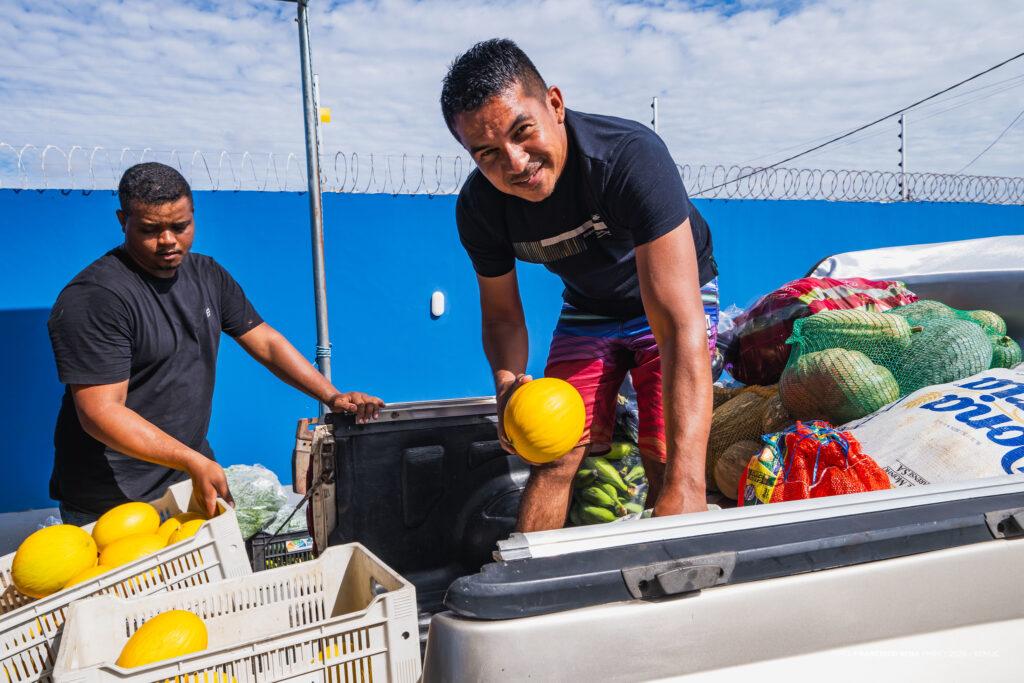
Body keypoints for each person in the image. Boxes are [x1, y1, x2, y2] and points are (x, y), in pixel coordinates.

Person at [440, 39, 718, 531]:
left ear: (555, 104)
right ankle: (527, 575)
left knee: (666, 456)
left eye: (522, 131)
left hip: (672, 300)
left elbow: (678, 325)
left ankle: (671, 569)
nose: (515, 162)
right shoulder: (480, 209)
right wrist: (507, 386)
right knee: (552, 451)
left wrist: (689, 485)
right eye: (487, 153)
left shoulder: (629, 157)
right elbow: (502, 317)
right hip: (588, 308)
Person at [47, 162, 383, 523]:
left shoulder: (207, 275)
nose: (168, 240)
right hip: (112, 500)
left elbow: (266, 342)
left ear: (193, 215)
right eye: (150, 229)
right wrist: (190, 459)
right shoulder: (97, 297)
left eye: (180, 226)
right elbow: (100, 413)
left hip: (188, 479)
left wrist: (331, 396)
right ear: (122, 221)